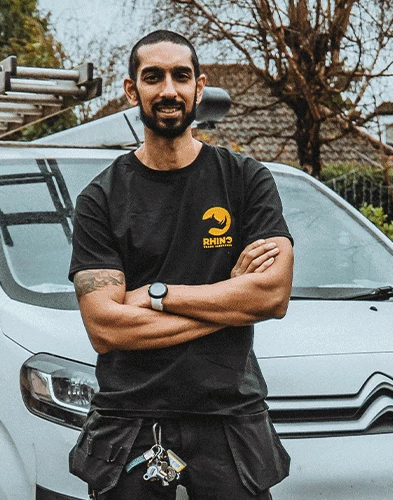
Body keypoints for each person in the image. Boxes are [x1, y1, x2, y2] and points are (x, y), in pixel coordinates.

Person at [66, 29, 295, 500]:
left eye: (181, 76)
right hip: (131, 420)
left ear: (198, 86)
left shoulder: (246, 180)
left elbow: (271, 296)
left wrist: (157, 295)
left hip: (229, 417)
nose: (168, 89)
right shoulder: (100, 199)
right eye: (153, 77)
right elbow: (106, 328)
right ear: (133, 90)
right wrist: (230, 305)